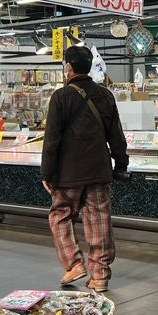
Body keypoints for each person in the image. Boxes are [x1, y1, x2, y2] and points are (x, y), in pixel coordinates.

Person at [41, 46, 129, 293]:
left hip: (67, 172)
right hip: (98, 170)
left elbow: (52, 140)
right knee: (99, 220)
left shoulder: (60, 97)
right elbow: (116, 136)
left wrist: (46, 173)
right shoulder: (106, 95)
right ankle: (100, 276)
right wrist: (121, 163)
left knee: (59, 216)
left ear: (68, 67)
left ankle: (74, 263)